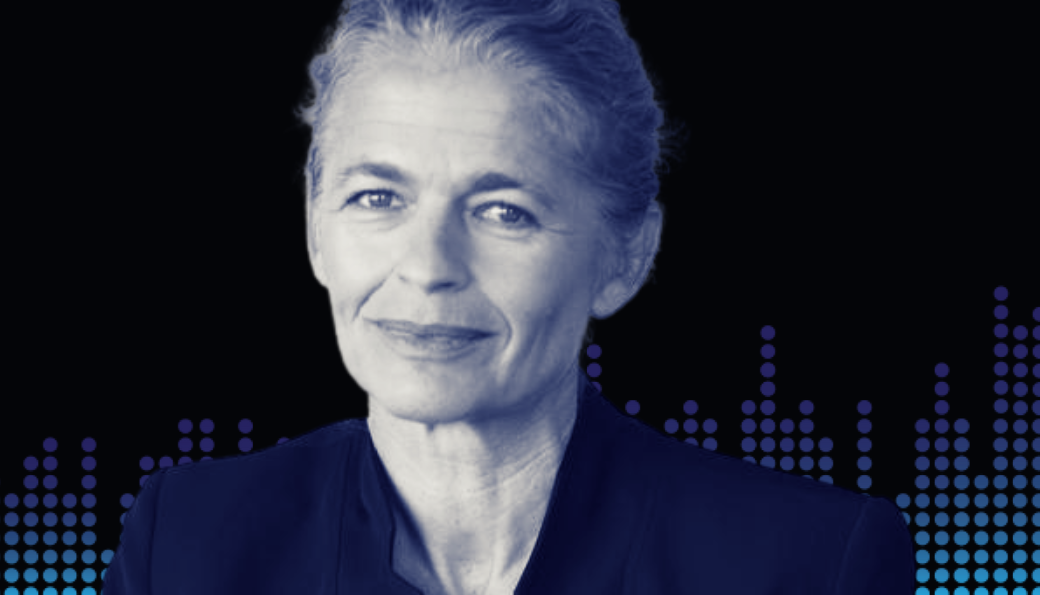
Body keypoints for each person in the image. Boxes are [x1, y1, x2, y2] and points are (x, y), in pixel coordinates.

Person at [103, 0, 915, 592]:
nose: (428, 267)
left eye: (503, 211)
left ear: (626, 256)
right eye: (377, 198)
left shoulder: (810, 564)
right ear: (316, 228)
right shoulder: (186, 544)